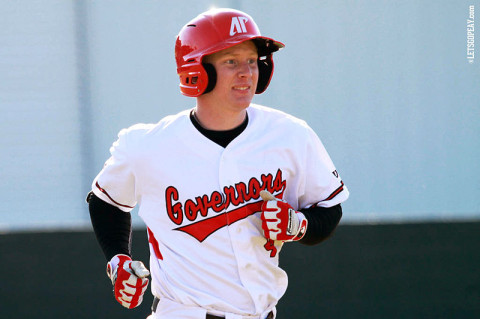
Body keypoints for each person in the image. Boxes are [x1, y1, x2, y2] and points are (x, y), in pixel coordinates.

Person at [87, 8, 349, 319]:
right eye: (231, 61)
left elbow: (329, 209)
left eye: (252, 61)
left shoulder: (291, 136)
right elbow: (105, 201)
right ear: (197, 69)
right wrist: (118, 259)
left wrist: (300, 225)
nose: (247, 72)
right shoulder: (147, 145)